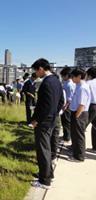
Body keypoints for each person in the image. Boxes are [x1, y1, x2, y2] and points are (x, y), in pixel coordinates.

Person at [30, 58, 64, 189]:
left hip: (44, 122)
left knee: (43, 150)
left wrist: (37, 120)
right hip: (52, 120)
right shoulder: (56, 81)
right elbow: (61, 101)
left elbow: (45, 106)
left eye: (36, 71)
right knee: (47, 148)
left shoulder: (46, 82)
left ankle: (44, 181)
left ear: (41, 69)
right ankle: (48, 174)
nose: (36, 74)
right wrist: (54, 114)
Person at [68, 68, 91, 162]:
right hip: (75, 112)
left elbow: (82, 104)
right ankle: (75, 151)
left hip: (80, 113)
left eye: (73, 76)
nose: (72, 78)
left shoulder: (83, 87)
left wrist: (77, 115)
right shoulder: (78, 85)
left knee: (79, 135)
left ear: (79, 76)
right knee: (74, 134)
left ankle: (79, 157)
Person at [60, 67, 76, 142]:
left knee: (66, 121)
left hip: (67, 105)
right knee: (64, 121)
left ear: (67, 75)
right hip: (64, 104)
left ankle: (67, 137)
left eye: (63, 76)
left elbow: (70, 97)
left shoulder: (70, 84)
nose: (62, 77)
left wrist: (65, 106)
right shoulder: (66, 83)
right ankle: (65, 135)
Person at [86, 67, 96, 154]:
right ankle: (95, 148)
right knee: (95, 127)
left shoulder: (88, 83)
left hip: (92, 106)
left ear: (89, 75)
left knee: (81, 127)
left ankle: (77, 148)